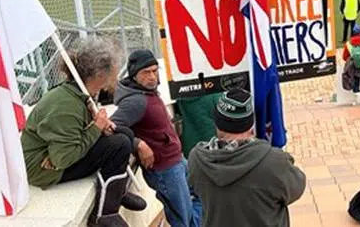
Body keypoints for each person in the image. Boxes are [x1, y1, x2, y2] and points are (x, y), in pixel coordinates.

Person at [20, 38, 146, 227]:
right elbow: (63, 158)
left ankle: (116, 191)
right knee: (119, 144)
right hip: (44, 169)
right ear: (99, 74)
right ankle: (105, 214)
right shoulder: (65, 105)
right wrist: (96, 128)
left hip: (57, 156)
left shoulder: (77, 92)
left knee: (125, 134)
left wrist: (99, 126)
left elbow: (77, 132)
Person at [188, 89, 307, 226]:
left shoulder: (196, 160)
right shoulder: (274, 162)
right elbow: (297, 188)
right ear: (251, 125)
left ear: (217, 123)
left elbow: (196, 192)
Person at [111, 50, 201, 227]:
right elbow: (111, 127)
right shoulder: (135, 101)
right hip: (165, 169)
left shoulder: (148, 92)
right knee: (182, 217)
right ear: (134, 75)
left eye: (154, 70)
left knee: (198, 198)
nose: (152, 76)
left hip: (176, 160)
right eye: (146, 73)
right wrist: (138, 144)